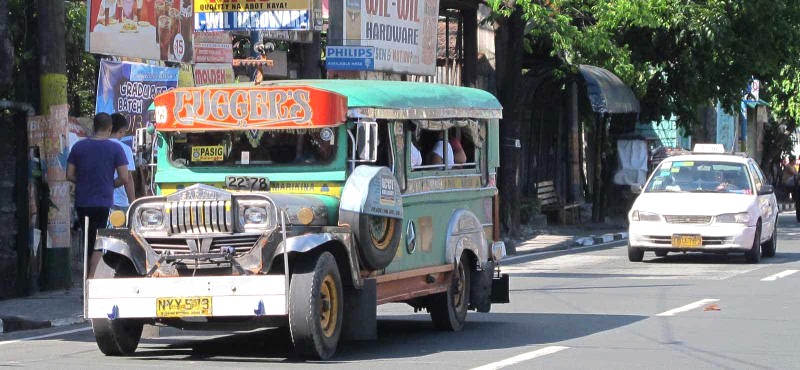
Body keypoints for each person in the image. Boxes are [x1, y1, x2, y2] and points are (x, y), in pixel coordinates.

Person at [67, 113, 130, 261]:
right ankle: (91, 274)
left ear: (94, 127)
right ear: (110, 129)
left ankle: (85, 269)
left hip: (82, 200)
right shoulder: (116, 149)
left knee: (87, 236)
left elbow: (69, 175)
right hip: (104, 200)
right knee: (99, 237)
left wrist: (84, 182)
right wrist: (109, 184)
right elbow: (124, 177)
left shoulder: (78, 147)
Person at [110, 113, 136, 213]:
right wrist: (133, 202)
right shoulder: (125, 148)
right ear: (121, 130)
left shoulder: (98, 147)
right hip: (119, 202)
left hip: (99, 200)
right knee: (120, 228)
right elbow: (127, 178)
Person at [782, 155, 800, 221]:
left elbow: (797, 173)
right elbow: (795, 174)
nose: (795, 161)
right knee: (794, 178)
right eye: (794, 160)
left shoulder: (793, 166)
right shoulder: (789, 166)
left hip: (792, 182)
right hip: (787, 181)